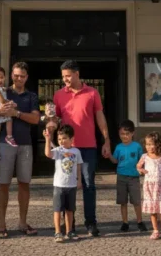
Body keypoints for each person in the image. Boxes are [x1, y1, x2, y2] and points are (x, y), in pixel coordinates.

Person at [46, 60, 112, 237]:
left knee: (89, 185)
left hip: (88, 147)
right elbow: (55, 119)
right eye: (63, 77)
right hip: (67, 149)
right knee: (69, 186)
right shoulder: (59, 94)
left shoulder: (92, 93)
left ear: (77, 74)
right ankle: (70, 225)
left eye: (68, 76)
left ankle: (91, 223)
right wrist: (50, 126)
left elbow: (100, 118)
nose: (65, 80)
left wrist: (106, 141)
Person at [0, 61, 41, 238]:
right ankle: (2, 224)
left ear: (27, 77)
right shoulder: (2, 90)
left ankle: (22, 222)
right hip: (4, 144)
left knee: (24, 183)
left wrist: (17, 114)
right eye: (16, 75)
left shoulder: (31, 96)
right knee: (3, 184)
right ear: (11, 76)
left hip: (25, 144)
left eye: (22, 76)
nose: (19, 78)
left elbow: (36, 119)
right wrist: (0, 110)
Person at [45, 124, 83, 243]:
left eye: (64, 138)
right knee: (57, 209)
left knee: (70, 210)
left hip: (71, 185)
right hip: (59, 185)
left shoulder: (76, 151)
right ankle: (57, 232)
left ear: (72, 139)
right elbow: (48, 154)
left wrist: (79, 180)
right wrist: (47, 139)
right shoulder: (58, 150)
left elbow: (78, 166)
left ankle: (69, 231)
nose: (61, 141)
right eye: (59, 139)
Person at [110, 119, 146, 232]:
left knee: (136, 201)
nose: (124, 136)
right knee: (123, 201)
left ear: (132, 133)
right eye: (122, 134)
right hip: (121, 177)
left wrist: (143, 169)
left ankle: (139, 221)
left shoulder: (137, 146)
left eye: (127, 134)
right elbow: (115, 161)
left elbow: (143, 159)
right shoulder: (118, 147)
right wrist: (109, 156)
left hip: (134, 177)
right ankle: (125, 222)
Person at [137, 131, 161, 240]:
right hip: (150, 187)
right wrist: (140, 170)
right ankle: (155, 230)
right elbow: (138, 166)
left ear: (158, 144)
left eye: (152, 144)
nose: (150, 147)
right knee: (153, 210)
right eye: (147, 144)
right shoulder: (144, 156)